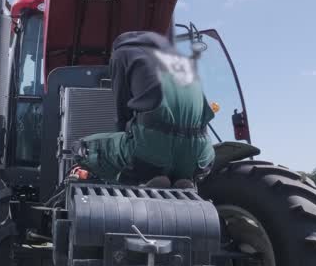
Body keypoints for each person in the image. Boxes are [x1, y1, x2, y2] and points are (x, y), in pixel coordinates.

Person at [77, 31, 215, 188]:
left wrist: (125, 143)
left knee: (82, 149)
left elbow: (122, 110)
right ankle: (182, 179)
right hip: (200, 159)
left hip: (151, 153)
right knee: (165, 148)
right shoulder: (182, 60)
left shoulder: (122, 53)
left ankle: (144, 180)